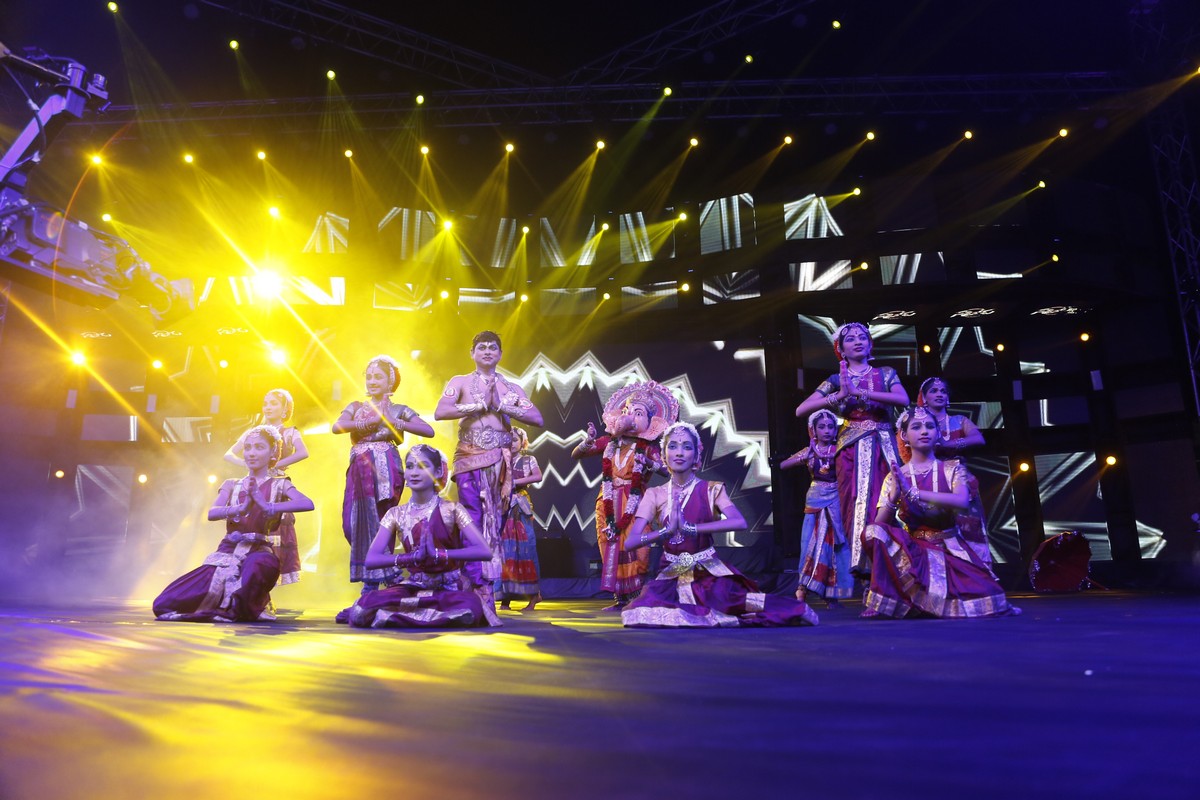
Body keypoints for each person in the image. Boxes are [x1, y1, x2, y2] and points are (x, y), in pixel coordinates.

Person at [620, 422, 819, 628]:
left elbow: (739, 522)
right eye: (673, 446)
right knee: (640, 614)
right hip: (670, 574)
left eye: (687, 447)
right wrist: (665, 532)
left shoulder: (711, 489)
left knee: (732, 602)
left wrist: (692, 529)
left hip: (706, 570)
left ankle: (796, 609)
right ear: (663, 455)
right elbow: (631, 542)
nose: (679, 452)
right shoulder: (654, 494)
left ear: (696, 456)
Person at [860, 406, 1019, 619]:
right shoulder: (895, 476)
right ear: (904, 435)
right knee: (872, 531)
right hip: (914, 552)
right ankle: (886, 598)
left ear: (938, 434)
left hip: (949, 548)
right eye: (917, 427)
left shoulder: (952, 469)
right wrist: (894, 496)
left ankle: (918, 603)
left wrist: (914, 492)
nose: (924, 431)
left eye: (929, 426)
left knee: (990, 595)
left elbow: (961, 501)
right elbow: (879, 525)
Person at [154, 425, 315, 622]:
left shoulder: (279, 484)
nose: (251, 453)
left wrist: (266, 505)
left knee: (258, 566)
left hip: (259, 551)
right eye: (248, 448)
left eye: (259, 447)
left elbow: (308, 503)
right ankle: (232, 605)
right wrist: (241, 507)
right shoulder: (232, 484)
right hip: (227, 553)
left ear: (273, 452)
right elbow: (212, 513)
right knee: (164, 603)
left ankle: (249, 604)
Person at [434, 331, 543, 607]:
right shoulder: (460, 382)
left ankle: (486, 586)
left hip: (500, 464)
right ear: (472, 353)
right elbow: (441, 411)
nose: (486, 351)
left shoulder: (511, 388)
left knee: (496, 522)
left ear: (500, 354)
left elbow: (537, 417)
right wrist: (480, 405)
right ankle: (473, 586)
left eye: (492, 347)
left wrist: (503, 405)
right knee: (472, 518)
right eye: (481, 347)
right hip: (469, 458)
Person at [794, 322, 908, 574]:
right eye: (851, 339)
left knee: (890, 499)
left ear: (870, 344)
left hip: (883, 446)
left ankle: (899, 566)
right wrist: (839, 395)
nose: (857, 341)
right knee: (856, 504)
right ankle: (864, 568)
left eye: (862, 337)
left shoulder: (886, 373)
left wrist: (860, 392)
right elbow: (801, 410)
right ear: (841, 350)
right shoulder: (835, 380)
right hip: (850, 451)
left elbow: (903, 399)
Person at [348, 444, 502, 629]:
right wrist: (410, 558)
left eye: (422, 466)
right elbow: (371, 559)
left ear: (438, 472)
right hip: (413, 586)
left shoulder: (452, 509)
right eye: (410, 466)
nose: (414, 472)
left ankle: (401, 616)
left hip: (448, 588)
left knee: (470, 605)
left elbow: (484, 551)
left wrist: (440, 554)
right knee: (363, 606)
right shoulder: (395, 514)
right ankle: (429, 616)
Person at [333, 356, 434, 617]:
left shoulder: (399, 409)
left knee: (382, 524)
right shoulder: (356, 407)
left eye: (378, 376)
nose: (372, 381)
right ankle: (389, 582)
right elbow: (337, 426)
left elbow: (427, 430)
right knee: (352, 524)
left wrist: (395, 422)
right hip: (358, 470)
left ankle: (372, 590)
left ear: (391, 381)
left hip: (386, 468)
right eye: (369, 376)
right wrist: (364, 424)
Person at [572, 381, 678, 611]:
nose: (630, 417)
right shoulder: (609, 443)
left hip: (636, 502)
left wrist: (648, 462)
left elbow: (666, 469)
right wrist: (588, 440)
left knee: (638, 548)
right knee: (610, 547)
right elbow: (577, 454)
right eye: (627, 411)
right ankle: (620, 599)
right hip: (608, 500)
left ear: (650, 423)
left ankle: (637, 597)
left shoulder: (647, 447)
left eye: (638, 413)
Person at [224, 388, 308, 585]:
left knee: (274, 528)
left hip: (275, 485)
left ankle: (266, 581)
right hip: (254, 483)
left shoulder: (289, 432)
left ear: (285, 408)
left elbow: (303, 452)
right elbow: (228, 454)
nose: (268, 407)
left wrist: (274, 464)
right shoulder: (254, 433)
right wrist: (247, 463)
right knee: (250, 525)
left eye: (273, 404)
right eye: (265, 403)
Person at [781, 409, 855, 607]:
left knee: (835, 546)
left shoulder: (840, 450)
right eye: (822, 427)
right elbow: (783, 465)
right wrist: (803, 458)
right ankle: (802, 588)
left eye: (831, 427)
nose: (827, 430)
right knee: (810, 545)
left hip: (836, 500)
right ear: (813, 430)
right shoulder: (809, 451)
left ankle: (832, 593)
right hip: (815, 501)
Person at [917, 377, 992, 567]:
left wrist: (948, 444)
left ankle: (978, 572)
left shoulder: (959, 421)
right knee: (936, 529)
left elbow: (978, 439)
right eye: (934, 391)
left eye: (943, 391)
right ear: (923, 397)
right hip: (930, 479)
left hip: (959, 479)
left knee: (969, 528)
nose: (939, 394)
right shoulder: (920, 425)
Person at [498, 427, 543, 611]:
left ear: (522, 442)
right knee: (506, 551)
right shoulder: (501, 460)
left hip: (521, 507)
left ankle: (534, 596)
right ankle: (505, 599)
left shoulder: (528, 459)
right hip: (504, 506)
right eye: (509, 440)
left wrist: (513, 482)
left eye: (515, 440)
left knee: (526, 549)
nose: (512, 443)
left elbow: (538, 476)